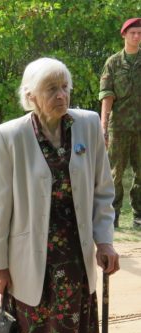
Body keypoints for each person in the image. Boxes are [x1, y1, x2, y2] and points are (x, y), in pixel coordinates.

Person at [0, 58, 120, 333]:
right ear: (30, 95)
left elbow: (103, 190)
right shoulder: (9, 136)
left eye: (65, 87)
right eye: (51, 89)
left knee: (65, 331)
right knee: (28, 330)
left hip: (74, 253)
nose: (61, 95)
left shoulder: (88, 125)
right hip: (28, 254)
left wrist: (105, 241)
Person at [99, 17, 141, 229]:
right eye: (133, 32)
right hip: (119, 127)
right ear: (124, 34)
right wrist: (103, 127)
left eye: (140, 33)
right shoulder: (113, 63)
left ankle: (138, 215)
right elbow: (107, 96)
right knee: (115, 173)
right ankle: (112, 216)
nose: (137, 36)